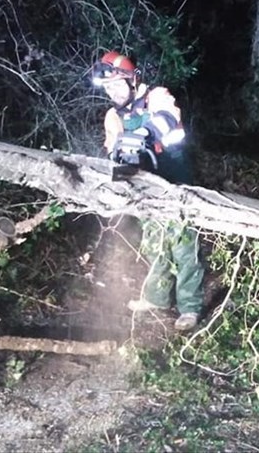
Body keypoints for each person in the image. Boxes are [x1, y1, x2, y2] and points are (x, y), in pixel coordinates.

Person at [92, 50, 204, 331]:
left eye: (118, 85)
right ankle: (157, 298)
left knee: (183, 246)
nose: (114, 92)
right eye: (108, 88)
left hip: (176, 182)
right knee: (154, 243)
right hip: (145, 188)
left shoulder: (156, 96)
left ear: (132, 81)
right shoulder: (113, 117)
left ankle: (190, 307)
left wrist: (143, 134)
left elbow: (167, 118)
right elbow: (112, 151)